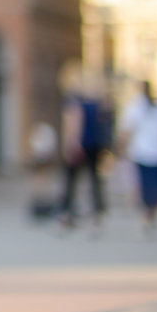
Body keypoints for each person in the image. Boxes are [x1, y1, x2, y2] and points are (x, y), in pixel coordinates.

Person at [58, 66, 111, 231]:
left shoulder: (72, 101)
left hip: (79, 145)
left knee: (71, 180)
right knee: (94, 179)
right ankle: (97, 214)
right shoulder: (96, 102)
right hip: (95, 145)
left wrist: (70, 144)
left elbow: (73, 124)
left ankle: (66, 213)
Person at [117, 80, 157, 234]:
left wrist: (121, 147)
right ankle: (150, 214)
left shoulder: (136, 107)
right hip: (154, 153)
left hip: (142, 152)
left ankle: (148, 214)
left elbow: (127, 130)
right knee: (155, 185)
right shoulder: (155, 108)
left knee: (146, 186)